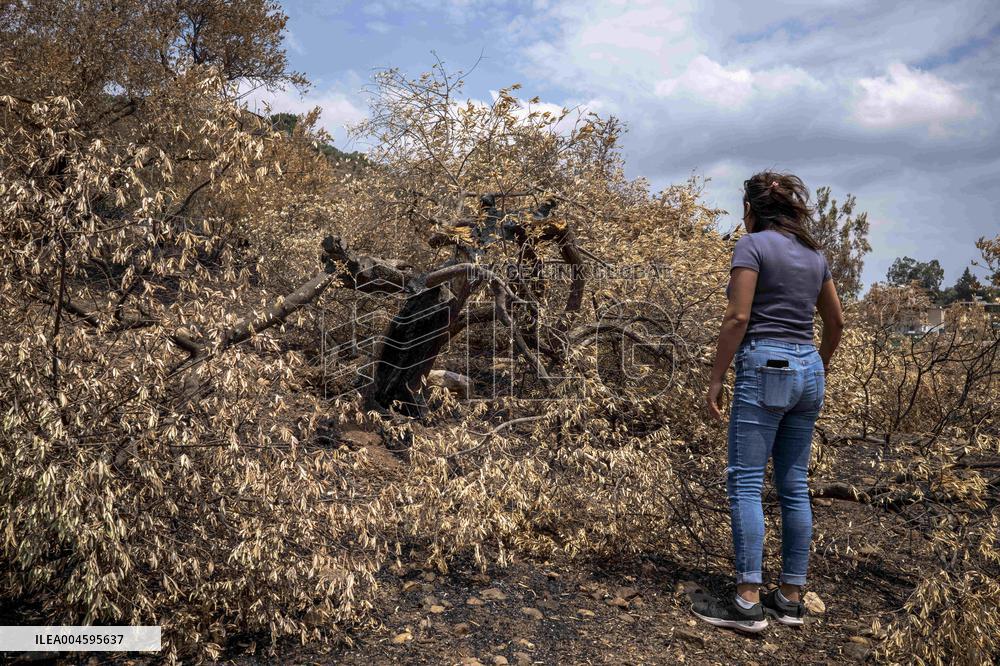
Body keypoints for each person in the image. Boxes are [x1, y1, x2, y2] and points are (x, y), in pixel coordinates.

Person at [692, 171, 845, 633]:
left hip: (765, 366)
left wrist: (717, 377)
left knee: (744, 483)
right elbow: (836, 322)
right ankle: (791, 599)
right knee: (794, 485)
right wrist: (813, 367)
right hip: (808, 370)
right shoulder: (815, 255)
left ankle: (746, 601)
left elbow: (738, 316)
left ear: (751, 209)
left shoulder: (752, 246)